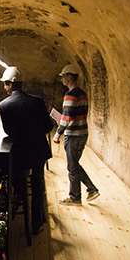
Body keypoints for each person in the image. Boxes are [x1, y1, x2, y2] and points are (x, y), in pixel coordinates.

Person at [0, 66, 53, 235]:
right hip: (38, 150)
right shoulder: (37, 101)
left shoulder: (4, 105)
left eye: (5, 84)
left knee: (18, 181)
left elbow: (9, 131)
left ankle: (20, 201)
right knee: (37, 185)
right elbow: (48, 126)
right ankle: (37, 222)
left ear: (9, 84)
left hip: (19, 154)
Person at [53, 64, 99, 205]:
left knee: (72, 168)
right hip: (83, 133)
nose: (62, 80)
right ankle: (91, 190)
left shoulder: (69, 95)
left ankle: (75, 198)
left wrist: (57, 134)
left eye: (63, 77)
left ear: (70, 77)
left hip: (72, 135)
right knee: (74, 165)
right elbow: (77, 114)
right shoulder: (83, 93)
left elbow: (66, 118)